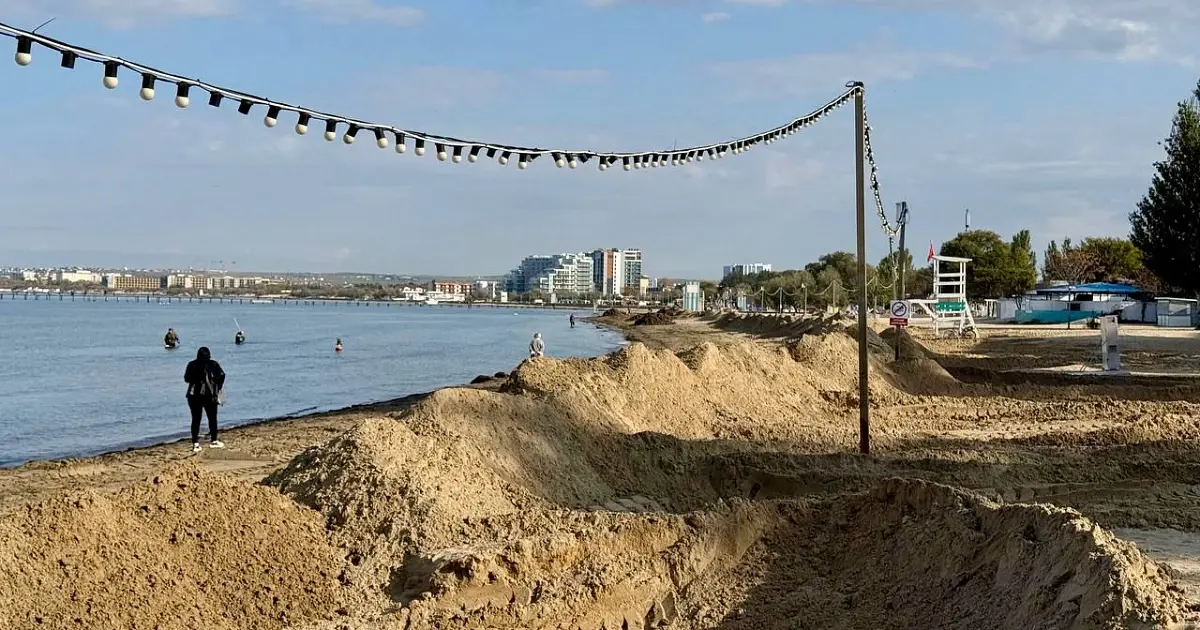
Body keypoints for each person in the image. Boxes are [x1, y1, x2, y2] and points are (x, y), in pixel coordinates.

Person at [184, 346, 226, 452]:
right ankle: (214, 441)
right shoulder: (214, 364)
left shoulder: (192, 364)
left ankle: (195, 443)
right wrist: (218, 387)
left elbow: (186, 379)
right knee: (212, 418)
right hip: (210, 395)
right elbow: (222, 375)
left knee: (196, 419)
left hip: (194, 396)